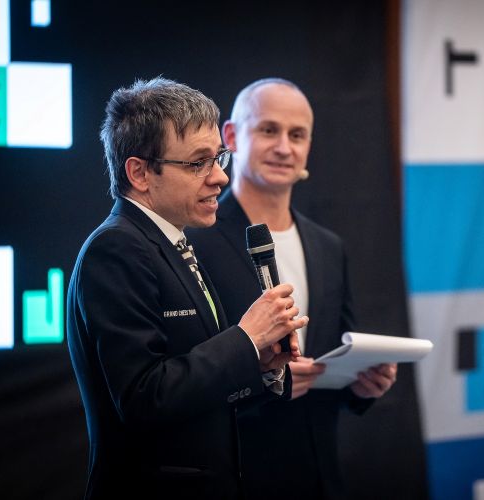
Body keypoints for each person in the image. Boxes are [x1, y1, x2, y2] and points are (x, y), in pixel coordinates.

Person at [66, 77, 306, 500]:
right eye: (198, 163)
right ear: (140, 173)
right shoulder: (116, 249)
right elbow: (144, 398)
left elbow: (197, 393)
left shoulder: (173, 242)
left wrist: (260, 363)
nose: (219, 177)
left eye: (218, 158)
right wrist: (246, 339)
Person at [187, 78, 397, 500]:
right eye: (269, 130)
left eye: (297, 135)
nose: (284, 147)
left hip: (320, 478)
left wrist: (362, 385)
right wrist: (264, 382)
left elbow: (335, 353)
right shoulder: (195, 242)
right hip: (237, 479)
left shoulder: (328, 246)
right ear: (232, 137)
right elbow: (185, 379)